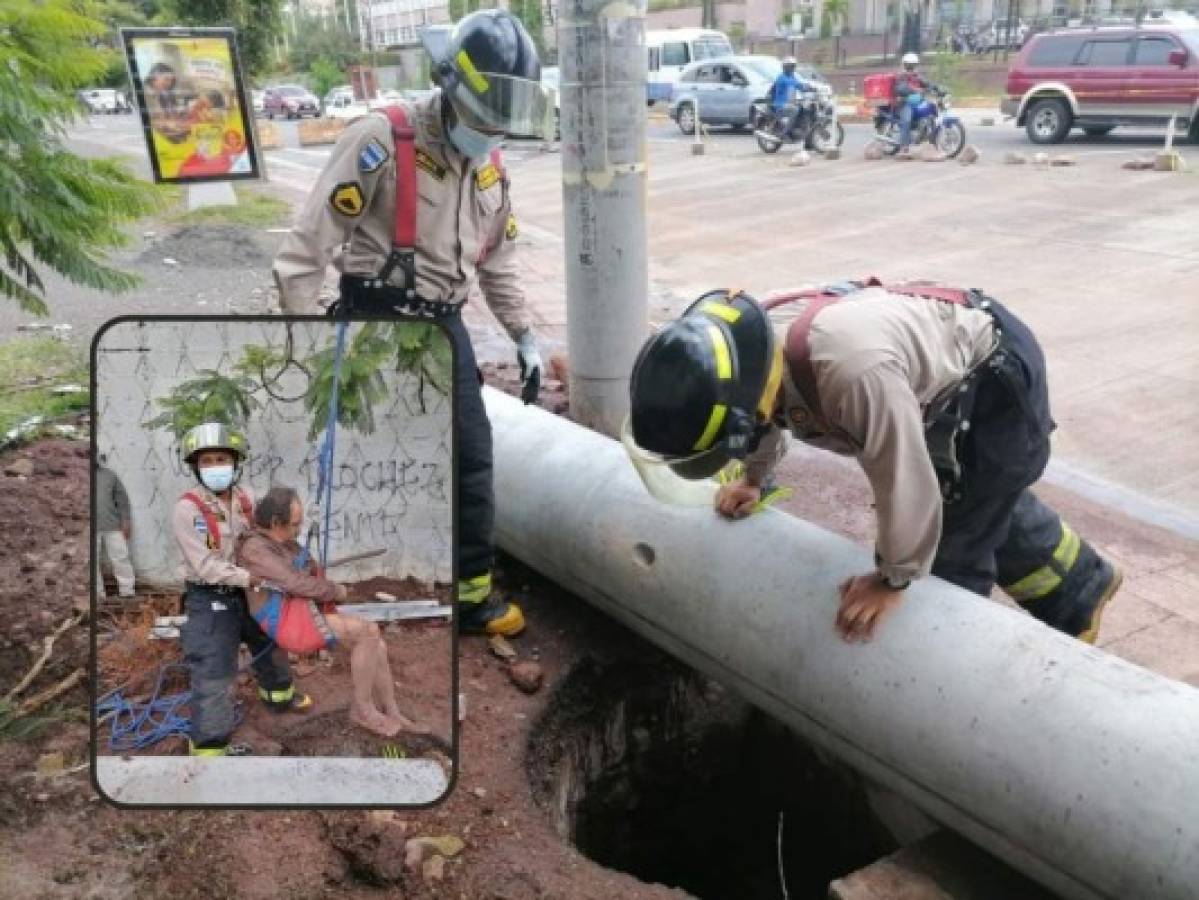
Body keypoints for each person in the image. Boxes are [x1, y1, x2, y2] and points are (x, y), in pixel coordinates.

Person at [625, 283, 1123, 644]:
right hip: (938, 373)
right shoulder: (748, 350)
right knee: (978, 497)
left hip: (996, 380)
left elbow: (903, 478)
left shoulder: (851, 376)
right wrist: (755, 478)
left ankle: (947, 673)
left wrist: (892, 580)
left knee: (953, 546)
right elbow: (763, 413)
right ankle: (1086, 584)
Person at [272, 9, 552, 638]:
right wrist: (304, 344)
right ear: (451, 87)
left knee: (471, 460)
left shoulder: (490, 166)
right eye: (482, 117)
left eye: (500, 122)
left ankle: (471, 598)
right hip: (373, 319)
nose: (490, 132)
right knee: (348, 458)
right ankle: (318, 588)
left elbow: (498, 262)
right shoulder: (383, 140)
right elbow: (306, 248)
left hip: (441, 327)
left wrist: (525, 337)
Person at [172, 423, 311, 756]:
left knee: (269, 637)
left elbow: (267, 536)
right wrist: (254, 579)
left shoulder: (246, 500)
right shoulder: (187, 510)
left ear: (235, 463)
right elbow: (206, 566)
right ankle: (210, 745)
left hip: (250, 588)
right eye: (207, 461)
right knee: (215, 666)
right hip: (211, 596)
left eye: (222, 459)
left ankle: (278, 695)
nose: (215, 467)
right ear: (195, 467)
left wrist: (292, 553)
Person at [236, 486, 417, 738]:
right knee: (368, 632)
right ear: (276, 522)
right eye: (295, 524)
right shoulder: (256, 548)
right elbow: (295, 582)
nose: (298, 530)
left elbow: (307, 568)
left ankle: (391, 708)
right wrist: (335, 590)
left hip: (295, 606)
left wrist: (312, 568)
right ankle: (363, 709)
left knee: (377, 644)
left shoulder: (282, 541)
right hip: (281, 617)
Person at [95, 455, 135, 599]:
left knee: (121, 558)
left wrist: (126, 520)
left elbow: (122, 500)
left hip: (113, 525)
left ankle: (127, 592)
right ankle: (98, 596)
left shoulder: (109, 475)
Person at [894, 52, 931, 158]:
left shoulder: (916, 76)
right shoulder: (901, 76)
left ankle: (925, 137)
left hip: (916, 101)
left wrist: (935, 88)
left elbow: (926, 83)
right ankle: (904, 147)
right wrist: (914, 90)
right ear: (904, 65)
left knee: (928, 111)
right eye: (909, 65)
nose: (911, 68)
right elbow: (901, 88)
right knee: (906, 120)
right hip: (904, 102)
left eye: (913, 65)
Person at [768, 57, 812, 139]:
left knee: (802, 108)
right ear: (785, 67)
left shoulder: (791, 77)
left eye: (793, 66)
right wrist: (804, 87)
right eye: (791, 66)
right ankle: (785, 132)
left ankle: (799, 128)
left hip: (789, 103)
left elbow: (798, 85)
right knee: (795, 110)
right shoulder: (782, 78)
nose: (793, 68)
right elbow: (795, 85)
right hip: (781, 105)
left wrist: (811, 88)